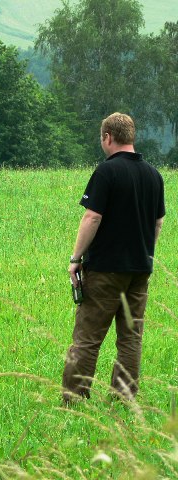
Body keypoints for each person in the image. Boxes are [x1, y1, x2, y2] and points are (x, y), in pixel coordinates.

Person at [62, 112, 165, 403]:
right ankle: (124, 399)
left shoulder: (106, 172)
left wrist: (75, 258)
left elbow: (92, 217)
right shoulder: (153, 175)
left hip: (105, 269)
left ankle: (74, 398)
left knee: (88, 338)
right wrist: (144, 252)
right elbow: (158, 223)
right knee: (130, 339)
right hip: (140, 269)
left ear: (108, 137)